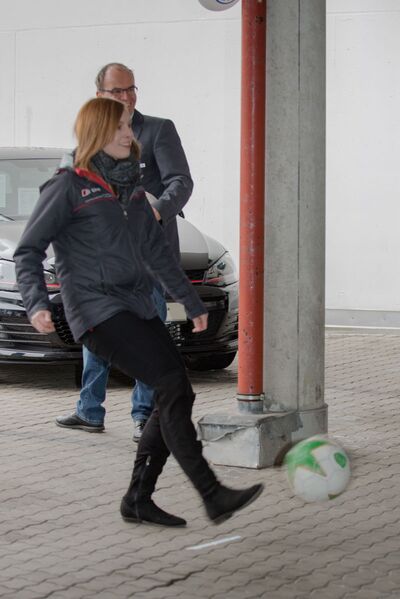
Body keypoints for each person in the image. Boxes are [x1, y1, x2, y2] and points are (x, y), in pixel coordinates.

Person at [14, 97, 263, 527]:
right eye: (121, 128)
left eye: (130, 127)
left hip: (137, 303)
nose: (131, 135)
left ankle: (138, 498)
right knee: (170, 385)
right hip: (96, 310)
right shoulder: (68, 186)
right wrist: (36, 303)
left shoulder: (131, 190)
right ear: (98, 133)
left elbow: (155, 252)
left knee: (177, 391)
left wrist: (189, 300)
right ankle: (212, 494)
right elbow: (28, 250)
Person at [56, 62, 193, 442]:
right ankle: (89, 410)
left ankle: (144, 416)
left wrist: (156, 210)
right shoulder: (90, 139)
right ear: (100, 95)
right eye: (117, 91)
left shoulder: (158, 130)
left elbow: (181, 181)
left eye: (131, 89)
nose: (126, 96)